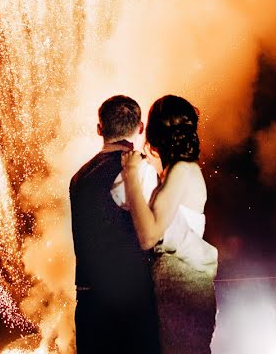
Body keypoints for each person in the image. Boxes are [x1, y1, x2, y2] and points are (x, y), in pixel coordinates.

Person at [121, 95, 218, 354]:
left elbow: (149, 236)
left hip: (182, 291)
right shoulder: (178, 171)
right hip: (181, 288)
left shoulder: (182, 171)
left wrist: (130, 176)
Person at [69, 95, 162, 354]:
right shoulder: (139, 170)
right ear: (140, 128)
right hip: (129, 303)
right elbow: (153, 233)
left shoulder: (79, 176)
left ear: (100, 129)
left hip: (88, 304)